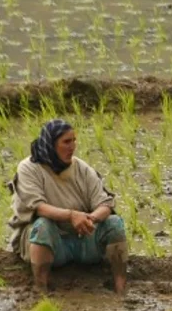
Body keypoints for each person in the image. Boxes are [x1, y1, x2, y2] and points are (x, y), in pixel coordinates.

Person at [8, 119, 128, 294]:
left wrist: (90, 219)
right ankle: (41, 290)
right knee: (42, 226)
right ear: (51, 144)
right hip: (50, 242)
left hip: (83, 236)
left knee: (115, 223)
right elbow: (39, 207)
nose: (72, 146)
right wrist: (71, 216)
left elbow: (105, 204)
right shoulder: (29, 168)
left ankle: (121, 289)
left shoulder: (82, 168)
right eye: (66, 142)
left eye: (74, 141)